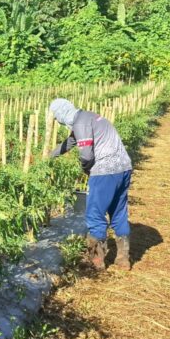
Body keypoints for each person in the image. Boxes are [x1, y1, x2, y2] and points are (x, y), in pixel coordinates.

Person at [49, 98, 132, 270]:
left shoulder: (80, 124)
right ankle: (123, 259)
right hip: (123, 167)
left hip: (105, 170)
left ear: (61, 114)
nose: (57, 121)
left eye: (56, 117)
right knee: (118, 211)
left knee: (95, 213)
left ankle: (96, 261)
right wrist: (50, 156)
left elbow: (86, 156)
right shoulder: (87, 118)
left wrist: (86, 169)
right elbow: (70, 142)